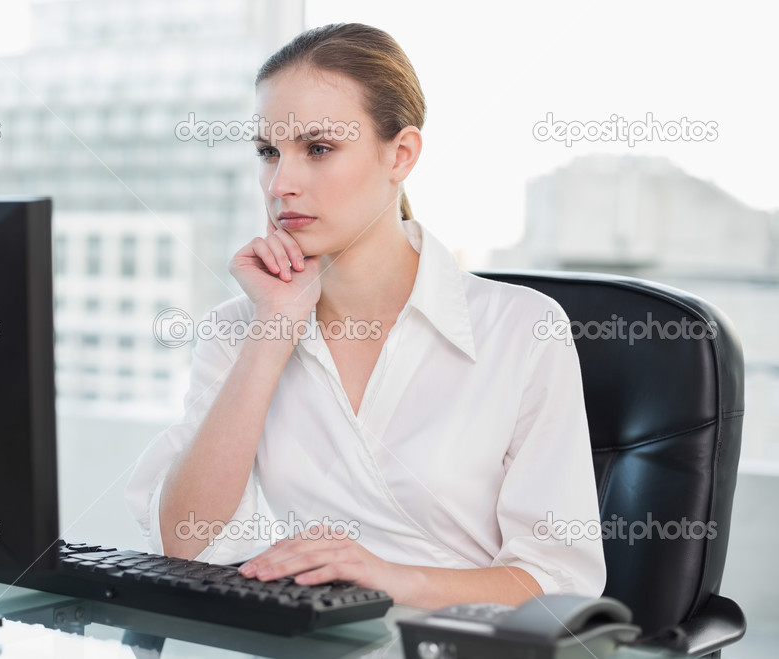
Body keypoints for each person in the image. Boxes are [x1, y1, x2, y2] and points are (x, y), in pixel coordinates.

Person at [125, 23, 605, 609]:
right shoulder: (240, 329)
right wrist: (275, 326)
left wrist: (389, 577)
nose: (281, 184)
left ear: (400, 154)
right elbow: (184, 546)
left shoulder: (522, 330)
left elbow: (559, 582)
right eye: (268, 152)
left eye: (318, 149)